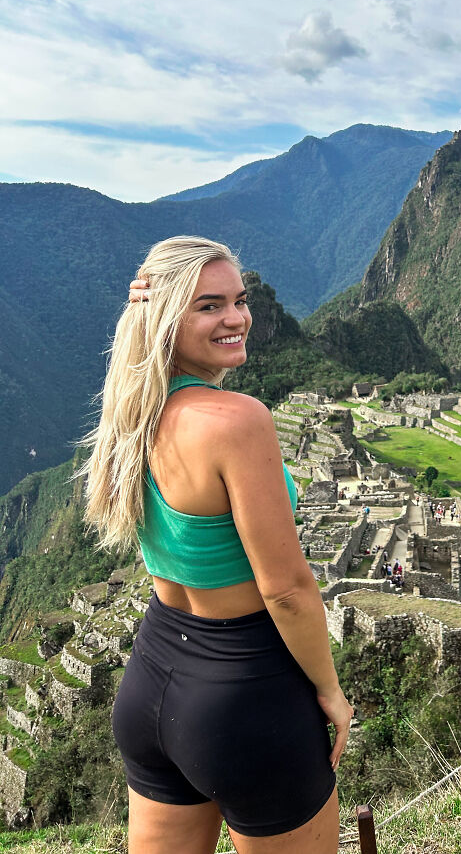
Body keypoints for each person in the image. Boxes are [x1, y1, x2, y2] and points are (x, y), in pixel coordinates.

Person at [79, 236, 352, 854]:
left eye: (239, 299)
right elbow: (285, 589)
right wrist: (330, 691)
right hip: (246, 695)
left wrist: (148, 314)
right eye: (208, 306)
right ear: (167, 318)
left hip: (151, 683)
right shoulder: (238, 422)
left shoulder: (135, 413)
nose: (235, 318)